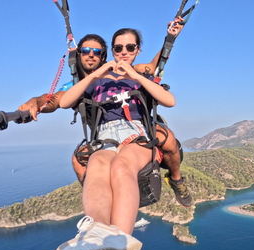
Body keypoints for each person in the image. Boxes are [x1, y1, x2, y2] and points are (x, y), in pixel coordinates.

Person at [42, 28, 178, 250]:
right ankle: (96, 239)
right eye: (118, 49)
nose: (124, 53)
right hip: (105, 138)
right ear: (111, 52)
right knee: (97, 168)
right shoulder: (96, 82)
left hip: (137, 135)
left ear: (137, 50)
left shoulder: (139, 78)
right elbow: (67, 100)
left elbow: (169, 101)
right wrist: (96, 74)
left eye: (129, 48)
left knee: (121, 167)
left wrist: (135, 75)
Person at [18, 19, 192, 208]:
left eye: (96, 52)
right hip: (103, 132)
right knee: (78, 160)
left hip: (137, 123)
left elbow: (155, 65)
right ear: (79, 55)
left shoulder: (131, 71)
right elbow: (56, 99)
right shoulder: (80, 83)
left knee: (168, 139)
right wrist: (35, 102)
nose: (90, 56)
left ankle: (176, 179)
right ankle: (100, 197)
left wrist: (170, 39)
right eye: (85, 51)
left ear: (103, 56)